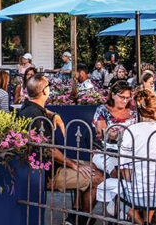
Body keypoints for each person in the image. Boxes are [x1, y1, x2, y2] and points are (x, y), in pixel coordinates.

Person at [18, 75, 103, 222]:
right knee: (98, 178)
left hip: (50, 166)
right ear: (44, 91)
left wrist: (54, 115)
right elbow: (49, 150)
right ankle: (81, 219)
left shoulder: (28, 108)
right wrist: (73, 165)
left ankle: (75, 214)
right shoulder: (37, 117)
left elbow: (41, 110)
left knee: (92, 166)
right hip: (48, 174)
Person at [96, 88, 156, 224]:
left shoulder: (132, 130)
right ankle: (146, 221)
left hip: (139, 194)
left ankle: (141, 222)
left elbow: (126, 172)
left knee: (111, 189)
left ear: (138, 110)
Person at [91, 82, 136, 174]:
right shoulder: (103, 110)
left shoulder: (133, 111)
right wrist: (120, 134)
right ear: (113, 95)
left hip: (130, 152)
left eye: (127, 98)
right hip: (106, 152)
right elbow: (101, 133)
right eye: (122, 97)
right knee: (119, 172)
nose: (125, 101)